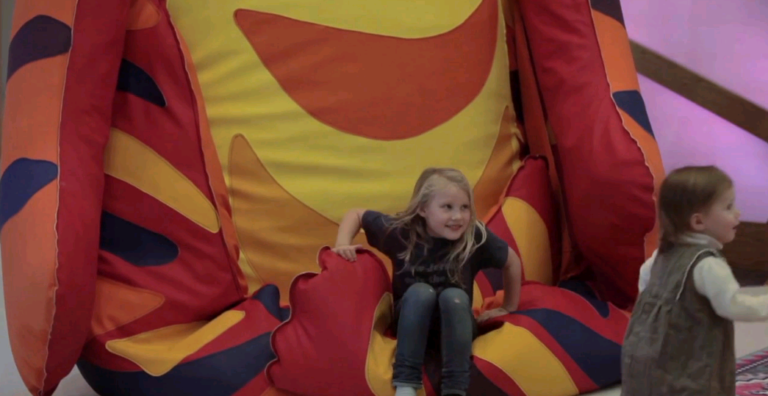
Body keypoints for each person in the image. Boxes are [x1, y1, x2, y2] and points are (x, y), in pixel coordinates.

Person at [333, 167, 522, 396]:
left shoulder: (474, 236)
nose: (457, 216)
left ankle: (455, 388)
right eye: (447, 207)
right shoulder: (401, 232)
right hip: (411, 320)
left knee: (455, 296)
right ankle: (406, 383)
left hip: (456, 325)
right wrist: (342, 243)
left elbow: (512, 261)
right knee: (421, 292)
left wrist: (508, 306)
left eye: (464, 207)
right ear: (423, 208)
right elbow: (357, 214)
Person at [622, 166, 768, 395]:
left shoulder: (661, 255)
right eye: (729, 207)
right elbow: (732, 305)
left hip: (646, 357)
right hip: (689, 367)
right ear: (698, 222)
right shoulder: (707, 264)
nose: (737, 213)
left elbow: (645, 287)